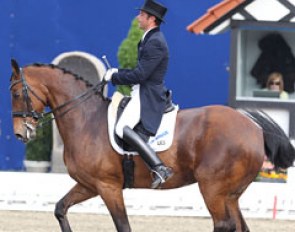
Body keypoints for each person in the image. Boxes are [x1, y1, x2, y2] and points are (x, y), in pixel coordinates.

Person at [104, 0, 173, 189]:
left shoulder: (156, 42)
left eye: (142, 15)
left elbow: (141, 75)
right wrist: (118, 72)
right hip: (141, 91)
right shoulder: (148, 38)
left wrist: (115, 76)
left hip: (148, 94)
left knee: (122, 128)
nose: (138, 18)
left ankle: (160, 167)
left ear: (151, 19)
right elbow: (140, 70)